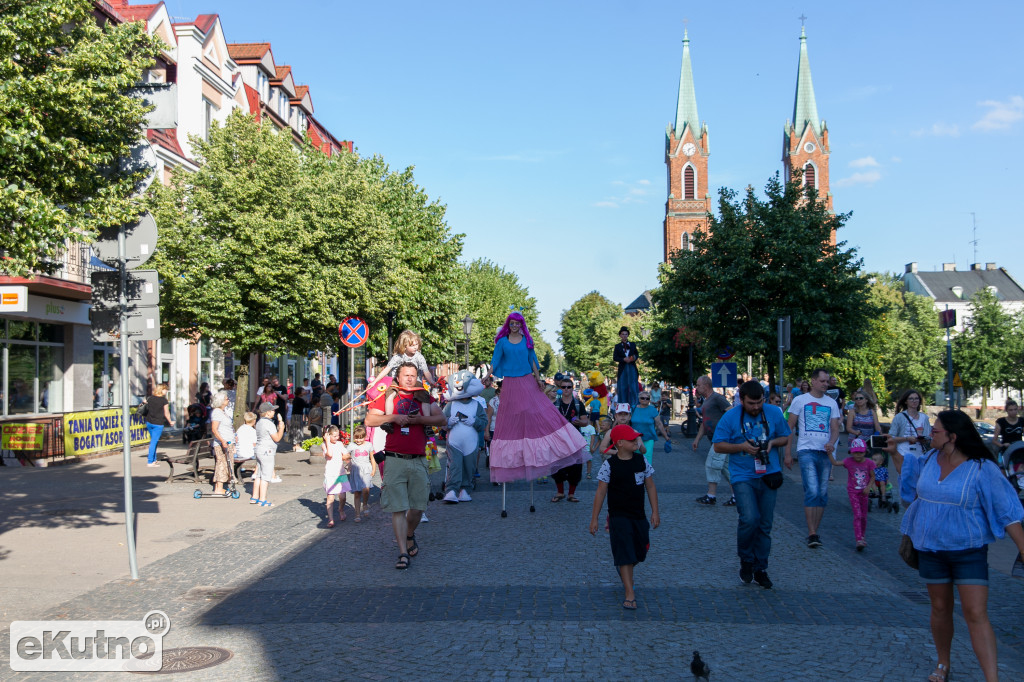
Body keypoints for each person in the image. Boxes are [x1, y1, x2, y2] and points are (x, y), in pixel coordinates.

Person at [890, 410, 1024, 682]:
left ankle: (992, 678)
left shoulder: (981, 468)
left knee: (975, 612)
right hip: (930, 549)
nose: (930, 434)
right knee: (940, 608)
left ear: (952, 436)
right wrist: (893, 452)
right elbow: (909, 485)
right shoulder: (928, 459)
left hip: (968, 550)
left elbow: (1007, 512)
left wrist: (1023, 548)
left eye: (936, 431)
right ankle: (943, 663)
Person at [488, 312, 587, 483]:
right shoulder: (502, 342)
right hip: (510, 382)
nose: (514, 326)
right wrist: (488, 375)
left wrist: (537, 378)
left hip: (526, 379)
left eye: (517, 323)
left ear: (521, 325)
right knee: (511, 416)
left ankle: (549, 446)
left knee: (537, 410)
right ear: (508, 325)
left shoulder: (527, 340)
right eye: (512, 323)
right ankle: (517, 453)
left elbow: (532, 360)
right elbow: (495, 360)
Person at [365, 362, 446, 570]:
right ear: (398, 378)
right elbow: (369, 419)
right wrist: (394, 417)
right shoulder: (388, 395)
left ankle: (410, 534)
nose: (409, 378)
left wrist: (420, 419)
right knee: (398, 508)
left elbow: (441, 419)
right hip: (394, 459)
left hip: (418, 459)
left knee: (418, 507)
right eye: (406, 375)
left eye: (412, 375)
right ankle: (402, 552)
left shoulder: (423, 397)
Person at [713, 380, 791, 589]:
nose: (756, 407)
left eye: (760, 402)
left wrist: (772, 443)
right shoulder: (730, 417)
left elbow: (785, 436)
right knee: (749, 518)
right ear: (741, 400)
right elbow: (718, 446)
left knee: (765, 524)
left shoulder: (773, 412)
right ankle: (746, 559)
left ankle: (760, 568)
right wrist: (741, 446)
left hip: (769, 474)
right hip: (742, 476)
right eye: (751, 403)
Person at [588, 424, 659, 610]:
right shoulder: (608, 465)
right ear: (619, 443)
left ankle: (624, 565)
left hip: (639, 516)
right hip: (618, 516)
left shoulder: (642, 461)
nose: (636, 441)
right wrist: (594, 518)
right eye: (631, 439)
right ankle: (630, 592)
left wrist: (655, 511)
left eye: (636, 437)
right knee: (625, 553)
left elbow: (650, 486)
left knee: (640, 552)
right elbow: (601, 493)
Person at [785, 368, 841, 549]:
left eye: (827, 381)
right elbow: (790, 427)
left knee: (823, 493)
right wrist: (787, 453)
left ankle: (815, 531)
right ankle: (811, 532)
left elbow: (835, 428)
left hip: (825, 452)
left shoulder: (831, 403)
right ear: (814, 381)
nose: (826, 384)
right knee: (812, 490)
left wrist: (832, 442)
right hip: (806, 450)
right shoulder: (800, 400)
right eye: (823, 381)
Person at [693, 376, 735, 506]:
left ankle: (711, 496)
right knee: (727, 469)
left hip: (721, 439)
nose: (697, 387)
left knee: (711, 464)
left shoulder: (717, 398)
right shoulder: (706, 401)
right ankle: (737, 496)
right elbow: (704, 423)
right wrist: (697, 439)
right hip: (714, 439)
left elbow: (732, 413)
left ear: (706, 386)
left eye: (698, 385)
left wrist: (725, 431)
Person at [830, 438, 875, 550]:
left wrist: (869, 487)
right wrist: (829, 452)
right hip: (853, 492)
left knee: (864, 516)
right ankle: (858, 539)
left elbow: (873, 476)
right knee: (858, 515)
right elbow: (835, 463)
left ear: (865, 452)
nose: (858, 455)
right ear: (852, 453)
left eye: (861, 453)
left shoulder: (869, 463)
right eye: (856, 453)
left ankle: (862, 536)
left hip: (864, 492)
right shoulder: (849, 462)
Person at [551, 377, 586, 502]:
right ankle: (560, 492)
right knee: (557, 465)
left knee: (576, 466)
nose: (566, 389)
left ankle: (571, 494)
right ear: (560, 389)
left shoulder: (578, 404)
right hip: (559, 439)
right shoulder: (555, 404)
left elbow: (586, 421)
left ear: (572, 388)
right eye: (563, 387)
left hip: (574, 439)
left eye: (568, 387)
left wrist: (579, 422)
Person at [368, 329, 438, 390]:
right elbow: (387, 369)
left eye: (416, 344)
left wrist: (431, 381)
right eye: (412, 345)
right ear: (404, 346)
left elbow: (426, 372)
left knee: (424, 397)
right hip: (397, 382)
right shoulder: (398, 357)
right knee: (390, 395)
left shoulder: (419, 357)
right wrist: (375, 382)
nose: (415, 347)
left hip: (415, 381)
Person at [252, 402, 284, 507]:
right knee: (266, 476)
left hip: (259, 449)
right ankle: (263, 499)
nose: (274, 412)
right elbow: (277, 438)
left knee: (259, 474)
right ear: (267, 412)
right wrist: (282, 427)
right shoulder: (269, 423)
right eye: (272, 410)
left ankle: (255, 496)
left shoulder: (259, 422)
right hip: (267, 451)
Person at [630, 389, 670, 466]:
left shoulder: (652, 410)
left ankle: (647, 476)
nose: (645, 400)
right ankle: (637, 476)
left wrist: (666, 437)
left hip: (648, 438)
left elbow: (659, 424)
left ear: (649, 400)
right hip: (634, 439)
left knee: (646, 459)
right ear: (639, 399)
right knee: (635, 458)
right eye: (642, 398)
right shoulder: (633, 409)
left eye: (647, 398)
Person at [323, 425, 352, 526]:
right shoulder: (325, 445)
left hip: (341, 473)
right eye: (334, 436)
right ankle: (330, 519)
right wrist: (327, 441)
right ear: (328, 435)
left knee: (343, 497)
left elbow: (346, 454)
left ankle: (341, 509)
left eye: (338, 435)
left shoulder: (339, 444)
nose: (337, 438)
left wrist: (348, 461)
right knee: (330, 498)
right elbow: (329, 454)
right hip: (330, 474)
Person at [346, 425, 376, 521]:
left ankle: (365, 504)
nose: (358, 440)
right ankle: (357, 514)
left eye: (361, 438)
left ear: (365, 437)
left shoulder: (368, 445)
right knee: (357, 492)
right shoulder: (351, 445)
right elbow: (345, 455)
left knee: (366, 489)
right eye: (356, 438)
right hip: (356, 470)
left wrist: (374, 469)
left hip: (366, 469)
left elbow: (372, 457)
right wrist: (349, 463)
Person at [209, 391, 235, 496]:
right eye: (226, 399)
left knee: (226, 464)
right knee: (222, 464)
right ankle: (218, 488)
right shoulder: (217, 412)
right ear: (220, 401)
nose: (228, 400)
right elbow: (214, 429)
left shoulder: (223, 412)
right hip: (221, 443)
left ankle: (221, 486)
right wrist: (222, 440)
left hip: (228, 442)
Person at [143, 383, 172, 467]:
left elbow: (142, 406)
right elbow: (166, 413)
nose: (166, 391)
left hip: (149, 422)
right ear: (161, 390)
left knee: (154, 441)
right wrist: (170, 421)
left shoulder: (150, 398)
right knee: (154, 442)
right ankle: (150, 462)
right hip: (158, 424)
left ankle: (154, 459)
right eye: (165, 389)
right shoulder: (163, 400)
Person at [612, 327, 640, 408]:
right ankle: (622, 406)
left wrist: (632, 358)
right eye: (623, 334)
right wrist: (623, 359)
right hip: (623, 368)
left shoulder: (633, 344)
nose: (624, 336)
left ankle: (635, 405)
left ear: (628, 335)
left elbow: (636, 354)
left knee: (633, 386)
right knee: (622, 387)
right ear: (620, 335)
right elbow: (615, 357)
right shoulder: (617, 346)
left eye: (626, 334)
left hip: (631, 366)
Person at [579, 412, 597, 479]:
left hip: (588, 447)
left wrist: (591, 447)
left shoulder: (591, 428)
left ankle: (588, 473)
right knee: (581, 462)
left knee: (589, 461)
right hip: (580, 448)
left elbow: (593, 438)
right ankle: (579, 473)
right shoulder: (579, 427)